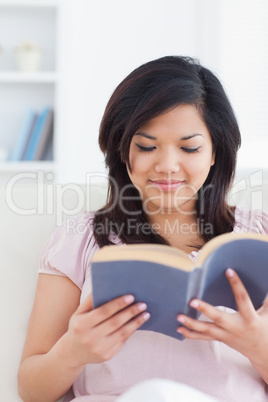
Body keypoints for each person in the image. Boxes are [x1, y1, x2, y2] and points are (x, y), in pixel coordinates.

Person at [17, 56, 268, 402]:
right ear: (122, 150)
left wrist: (258, 346)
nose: (166, 166)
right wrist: (72, 351)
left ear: (214, 153)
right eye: (147, 146)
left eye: (189, 147)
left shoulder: (260, 237)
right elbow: (31, 390)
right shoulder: (80, 239)